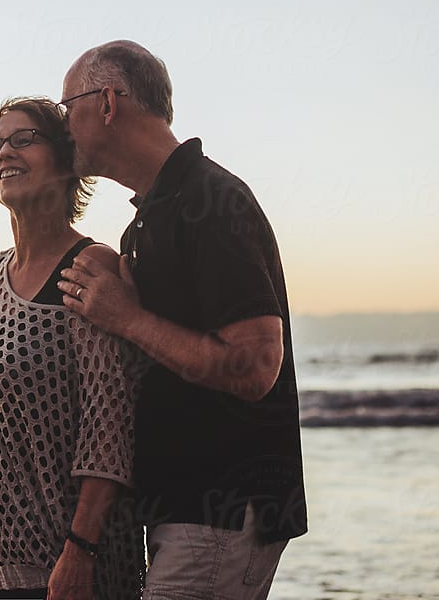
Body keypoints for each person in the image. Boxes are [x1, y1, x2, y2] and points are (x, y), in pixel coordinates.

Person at [54, 41, 307, 600]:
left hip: (220, 505)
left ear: (109, 103)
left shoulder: (213, 202)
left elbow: (256, 366)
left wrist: (127, 316)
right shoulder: (153, 217)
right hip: (183, 507)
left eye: (66, 106)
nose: (63, 124)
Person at [0, 97, 145, 600]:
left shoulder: (90, 266)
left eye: (24, 139)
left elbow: (109, 425)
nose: (5, 151)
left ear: (66, 159)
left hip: (74, 562)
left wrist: (80, 550)